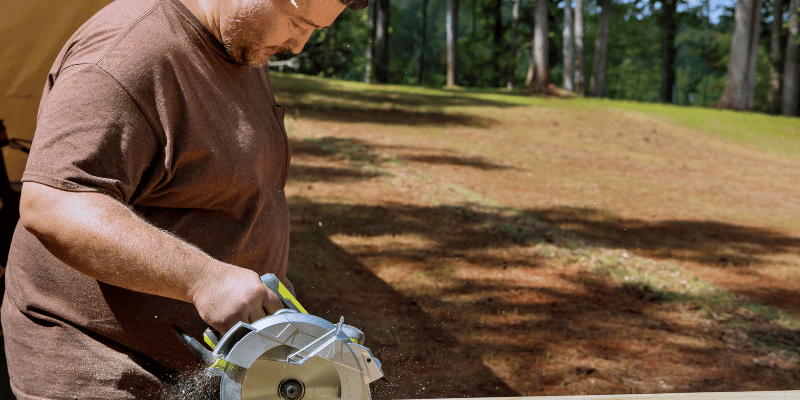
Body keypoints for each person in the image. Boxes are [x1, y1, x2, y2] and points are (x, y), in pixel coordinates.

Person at [1, 0, 367, 397]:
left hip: (195, 368)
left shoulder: (239, 40)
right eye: (297, 23)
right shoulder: (128, 55)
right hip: (105, 372)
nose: (298, 45)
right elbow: (54, 203)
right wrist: (203, 278)